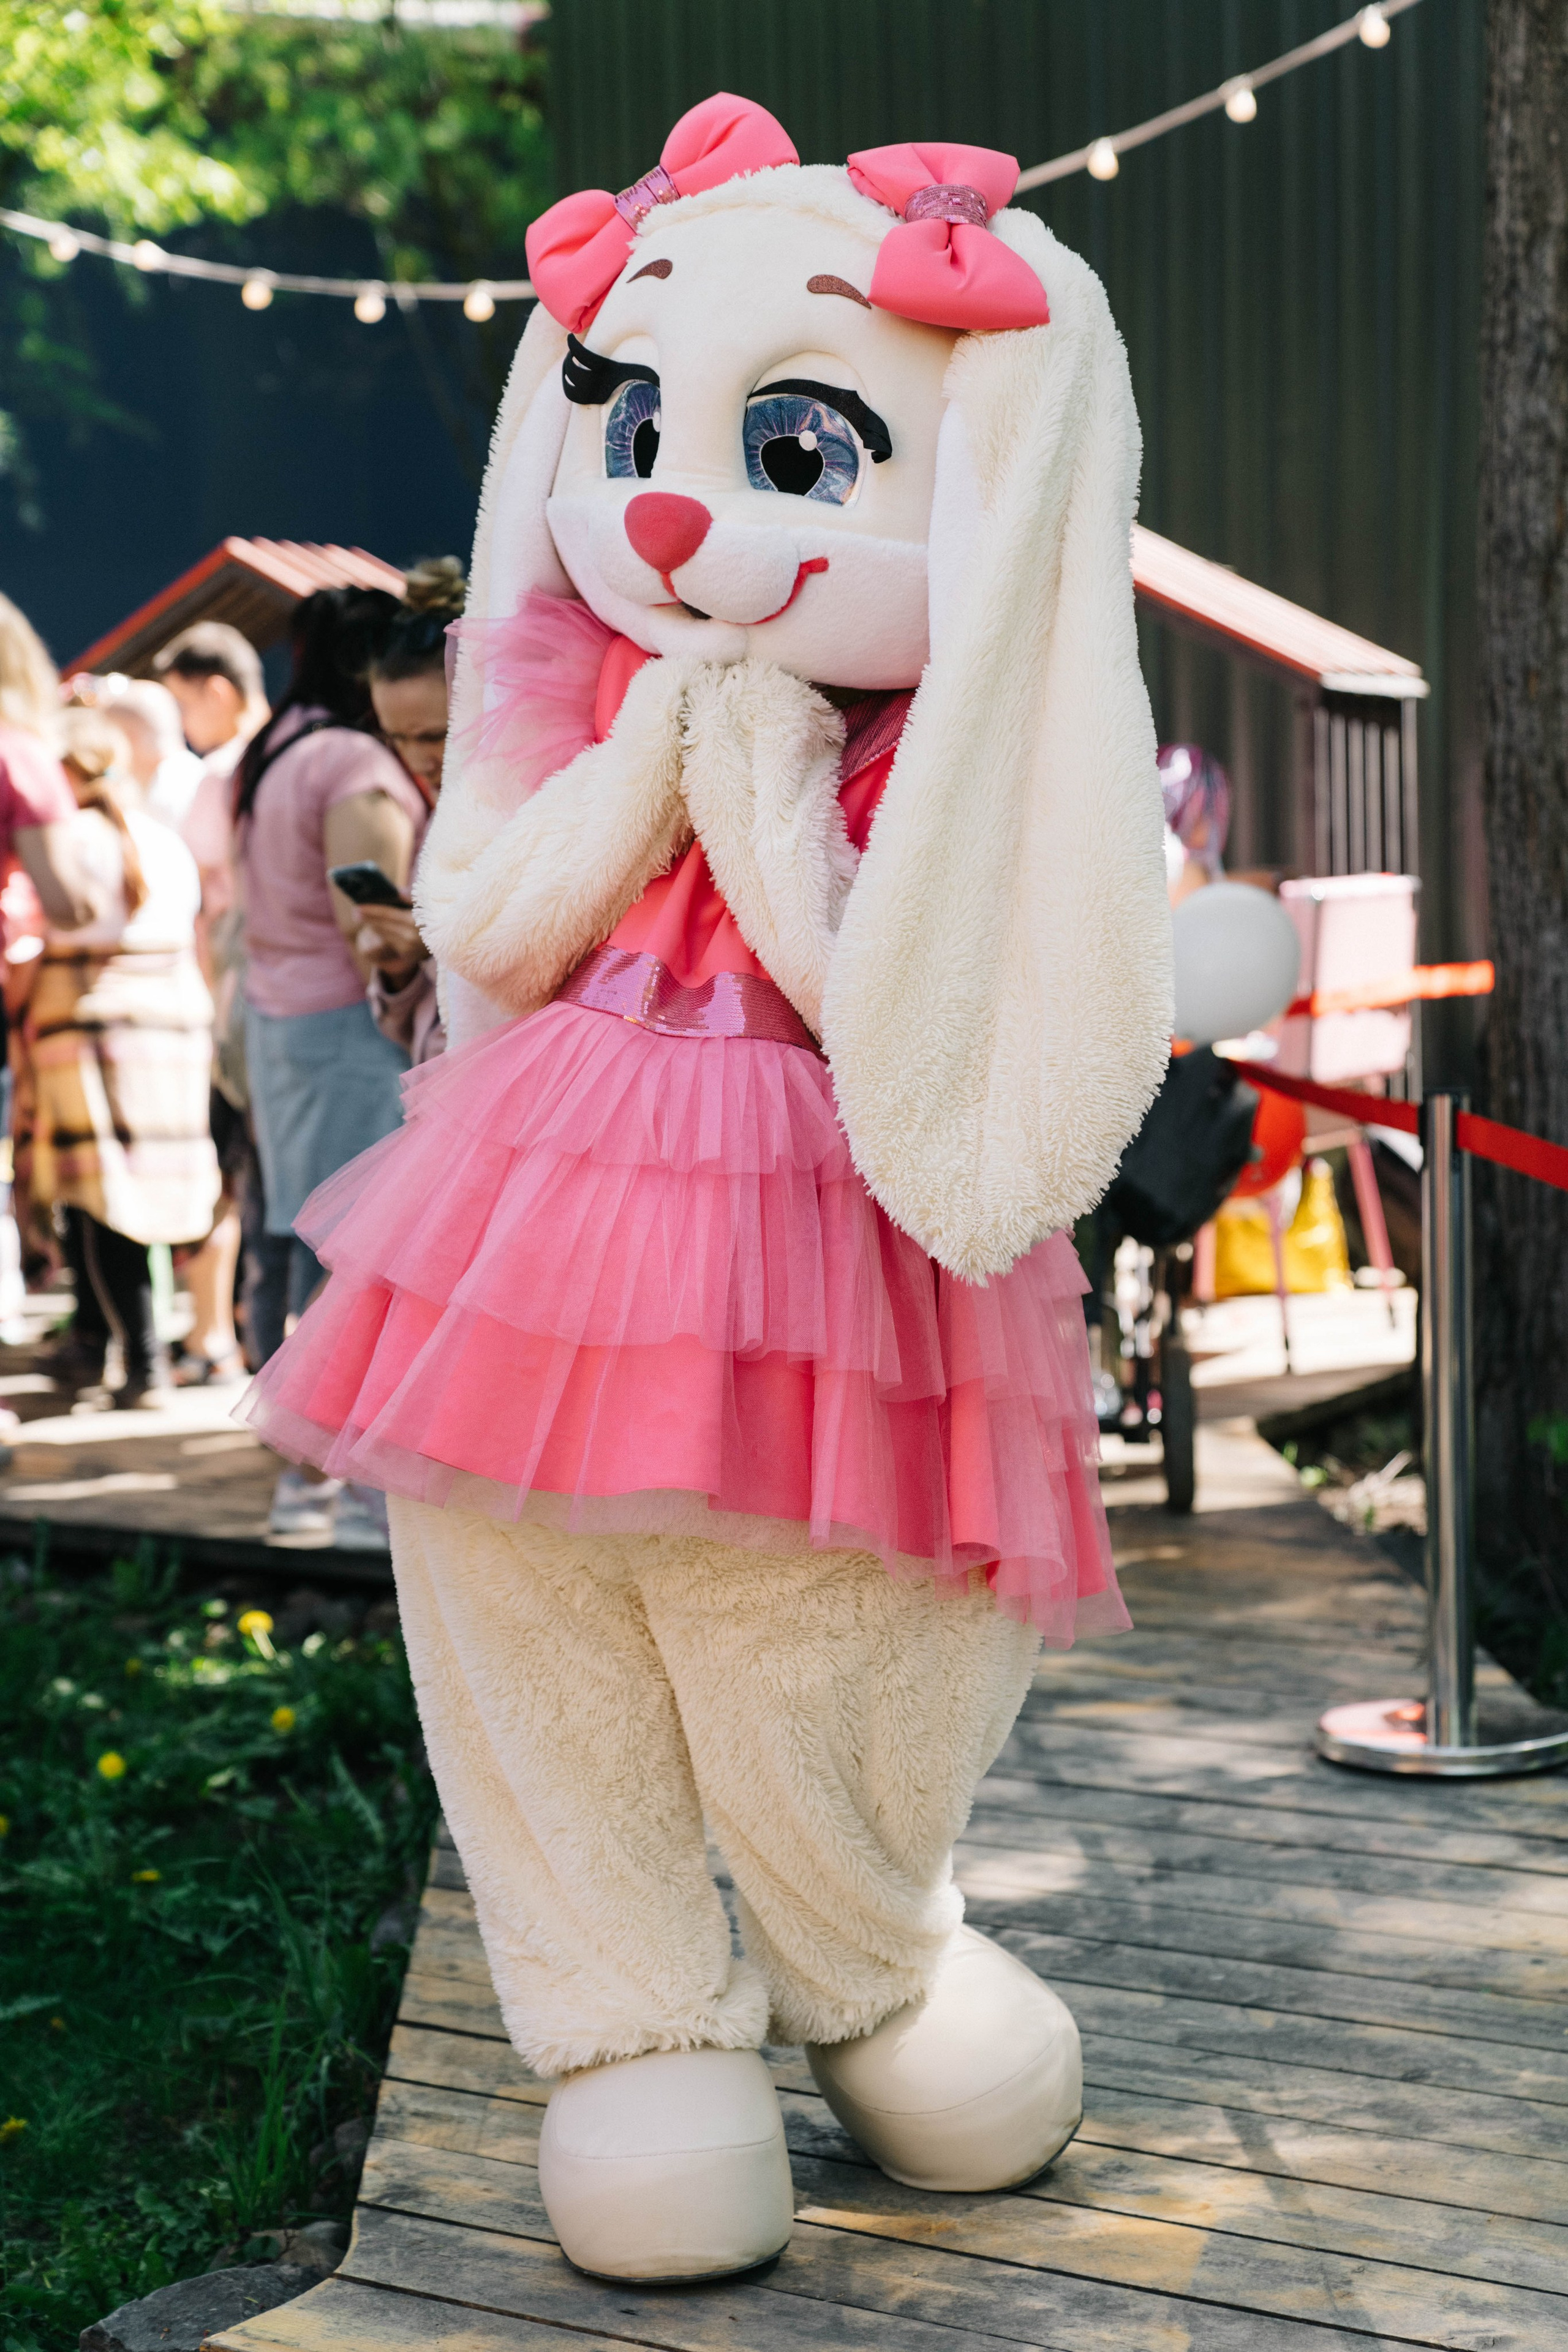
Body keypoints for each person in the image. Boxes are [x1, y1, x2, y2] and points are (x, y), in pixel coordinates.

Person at [234, 585, 429, 1539]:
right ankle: (341, 1486)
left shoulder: (274, 752)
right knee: (361, 1260)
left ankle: (319, 1480)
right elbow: (377, 925)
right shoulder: (353, 759)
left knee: (315, 1250)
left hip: (278, 1021)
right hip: (350, 1025)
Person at [18, 709, 219, 1406]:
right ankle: (120, 1352)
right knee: (145, 1191)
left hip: (89, 1029)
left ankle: (139, 1363)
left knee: (103, 1200)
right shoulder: (161, 840)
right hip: (175, 1026)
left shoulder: (66, 843)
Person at [356, 558, 465, 1065]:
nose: (416, 759)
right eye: (396, 739)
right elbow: (419, 1025)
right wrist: (399, 968)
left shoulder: (542, 814)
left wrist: (439, 942)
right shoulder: (439, 815)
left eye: (432, 735)